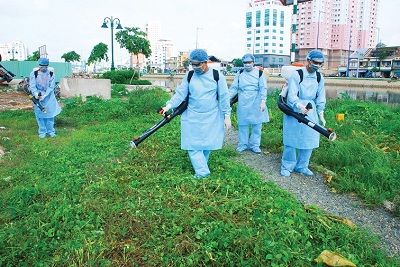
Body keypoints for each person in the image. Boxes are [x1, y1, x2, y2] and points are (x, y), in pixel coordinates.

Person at [161, 49, 232, 179]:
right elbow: (180, 94)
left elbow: (224, 96)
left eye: (197, 64)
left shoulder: (217, 76)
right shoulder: (190, 76)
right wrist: (169, 105)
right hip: (192, 115)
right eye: (192, 64)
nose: (195, 67)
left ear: (205, 62)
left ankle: (201, 166)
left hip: (211, 116)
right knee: (192, 144)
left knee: (206, 144)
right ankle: (203, 172)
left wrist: (227, 115)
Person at [280, 50, 327, 177]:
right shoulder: (297, 75)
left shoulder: (319, 77)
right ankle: (287, 165)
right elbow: (292, 95)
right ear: (308, 61)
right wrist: (299, 106)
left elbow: (321, 96)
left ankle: (302, 166)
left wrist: (321, 111)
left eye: (320, 63)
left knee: (309, 139)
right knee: (291, 139)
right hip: (295, 110)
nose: (317, 65)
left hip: (310, 110)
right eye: (315, 62)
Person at [228, 53, 269, 153]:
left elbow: (263, 88)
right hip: (243, 100)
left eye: (249, 62)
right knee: (243, 124)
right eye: (245, 63)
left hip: (257, 100)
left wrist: (263, 101)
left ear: (253, 63)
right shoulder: (240, 73)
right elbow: (234, 88)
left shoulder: (259, 73)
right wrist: (227, 98)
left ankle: (255, 145)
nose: (247, 64)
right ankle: (243, 144)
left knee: (257, 125)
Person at [29, 58, 62, 138]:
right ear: (39, 66)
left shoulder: (51, 74)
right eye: (42, 66)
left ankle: (51, 131)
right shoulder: (34, 73)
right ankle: (42, 131)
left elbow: (51, 87)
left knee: (50, 114)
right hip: (38, 97)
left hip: (49, 97)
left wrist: (45, 95)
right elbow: (32, 85)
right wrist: (36, 94)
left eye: (45, 66)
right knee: (40, 115)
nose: (43, 68)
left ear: (47, 66)